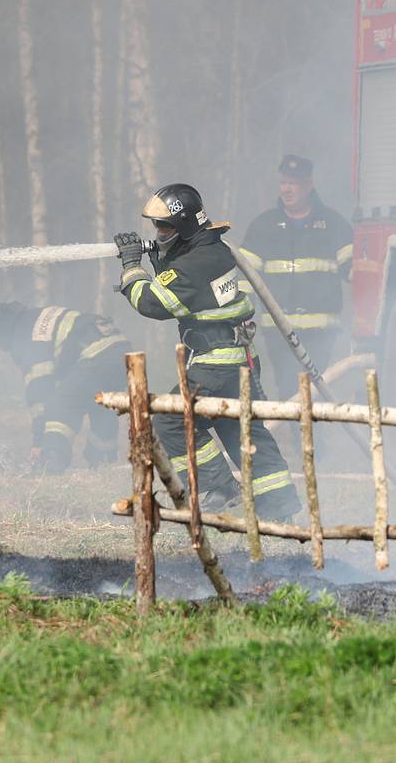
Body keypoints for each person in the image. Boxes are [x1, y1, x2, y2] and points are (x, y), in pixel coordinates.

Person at [114, 182, 301, 521]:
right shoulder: (212, 251)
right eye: (156, 226)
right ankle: (279, 505)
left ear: (184, 225)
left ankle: (218, 488)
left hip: (217, 362)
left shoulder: (196, 264)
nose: (158, 231)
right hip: (239, 357)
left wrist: (131, 269)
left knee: (172, 420)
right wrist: (160, 261)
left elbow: (153, 302)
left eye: (165, 225)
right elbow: (191, 293)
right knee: (242, 430)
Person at [239, 155, 353, 397]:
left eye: (293, 183)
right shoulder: (263, 226)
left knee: (318, 392)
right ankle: (297, 434)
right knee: (289, 392)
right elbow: (245, 277)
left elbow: (353, 270)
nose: (286, 189)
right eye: (283, 183)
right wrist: (240, 316)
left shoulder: (333, 224)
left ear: (309, 185)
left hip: (321, 334)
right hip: (280, 333)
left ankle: (315, 435)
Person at [0, 302, 129, 472]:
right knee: (101, 407)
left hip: (95, 354)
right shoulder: (35, 317)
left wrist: (38, 442)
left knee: (60, 405)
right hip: (121, 350)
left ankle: (52, 459)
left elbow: (39, 391)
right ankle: (102, 463)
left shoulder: (24, 335)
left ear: (0, 331)